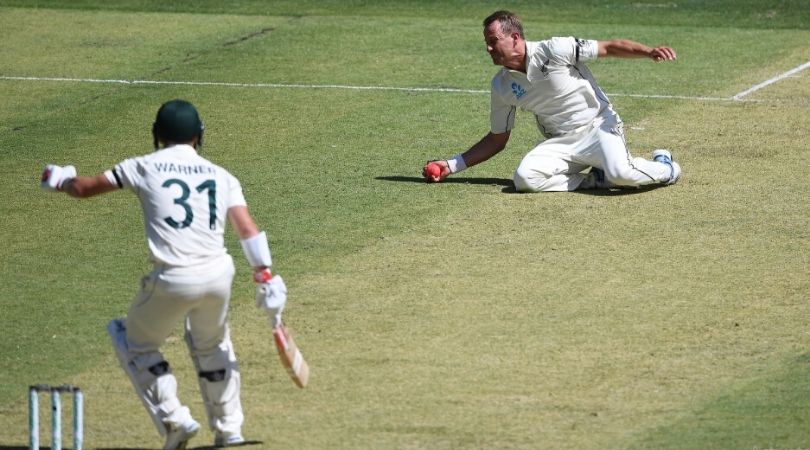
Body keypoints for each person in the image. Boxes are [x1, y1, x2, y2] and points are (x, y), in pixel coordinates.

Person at [40, 99, 289, 449]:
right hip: (218, 275)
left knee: (131, 340)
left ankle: (175, 418)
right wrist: (265, 275)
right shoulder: (221, 175)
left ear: (157, 134)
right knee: (213, 345)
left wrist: (60, 179)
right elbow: (247, 228)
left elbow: (83, 188)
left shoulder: (141, 166)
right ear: (198, 135)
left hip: (174, 276)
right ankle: (230, 429)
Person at [423, 10, 681, 191]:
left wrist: (648, 51)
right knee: (525, 179)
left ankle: (667, 167)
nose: (488, 48)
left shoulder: (554, 49)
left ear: (515, 38)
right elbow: (496, 140)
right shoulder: (501, 85)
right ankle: (595, 180)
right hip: (561, 143)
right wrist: (450, 166)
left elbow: (608, 47)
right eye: (486, 43)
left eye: (493, 41)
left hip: (599, 128)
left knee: (622, 174)